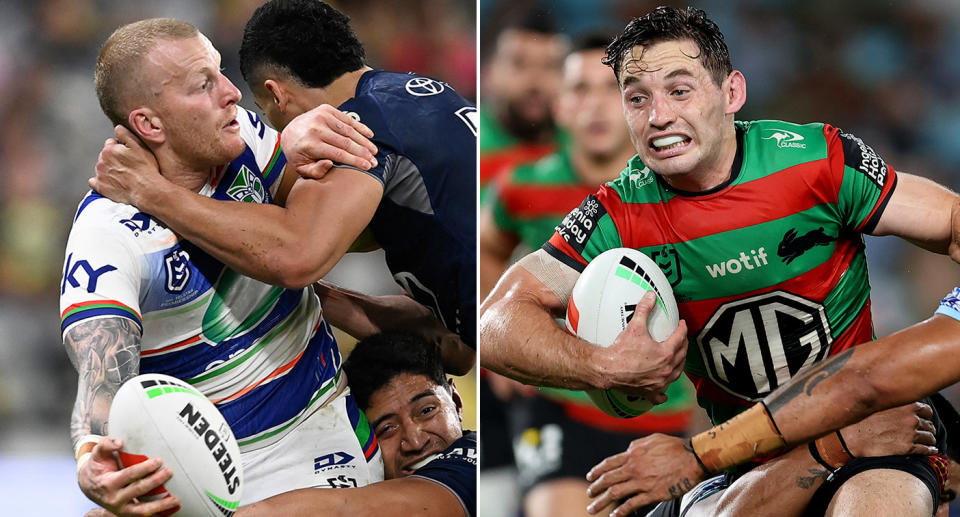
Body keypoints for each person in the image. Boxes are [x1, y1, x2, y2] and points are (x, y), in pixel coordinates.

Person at [478, 6, 960, 516]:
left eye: (680, 91)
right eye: (637, 98)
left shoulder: (816, 160)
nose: (659, 117)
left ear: (732, 93)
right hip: (739, 462)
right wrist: (603, 364)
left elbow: (950, 218)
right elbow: (494, 324)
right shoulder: (617, 212)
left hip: (869, 437)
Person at [64, 18, 384, 517]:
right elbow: (101, 368)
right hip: (197, 467)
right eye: (203, 84)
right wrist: (93, 450)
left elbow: (325, 238)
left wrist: (304, 149)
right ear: (150, 124)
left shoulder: (243, 141)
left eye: (221, 72)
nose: (233, 93)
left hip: (318, 433)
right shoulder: (108, 233)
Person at [90, 0, 476, 375]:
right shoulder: (417, 92)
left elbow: (295, 255)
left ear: (277, 96)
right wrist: (320, 299)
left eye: (264, 109)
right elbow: (455, 346)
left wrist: (151, 191)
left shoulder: (362, 127)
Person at [479, 33, 697, 517]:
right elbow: (486, 244)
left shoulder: (681, 187)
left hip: (662, 407)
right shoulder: (522, 186)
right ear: (559, 105)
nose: (596, 106)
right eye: (581, 90)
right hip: (560, 401)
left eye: (611, 90)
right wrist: (505, 344)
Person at [586, 286, 960, 516]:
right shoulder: (733, 473)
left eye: (943, 498)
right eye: (939, 492)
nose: (937, 510)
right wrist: (836, 447)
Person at [235, 332, 476, 516]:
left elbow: (350, 508)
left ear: (456, 402)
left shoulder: (475, 459)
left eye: (426, 410)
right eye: (387, 428)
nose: (414, 441)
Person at [479, 8, 568, 196]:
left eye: (549, 65)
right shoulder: (468, 145)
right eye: (519, 63)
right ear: (488, 73)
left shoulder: (583, 147)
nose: (535, 82)